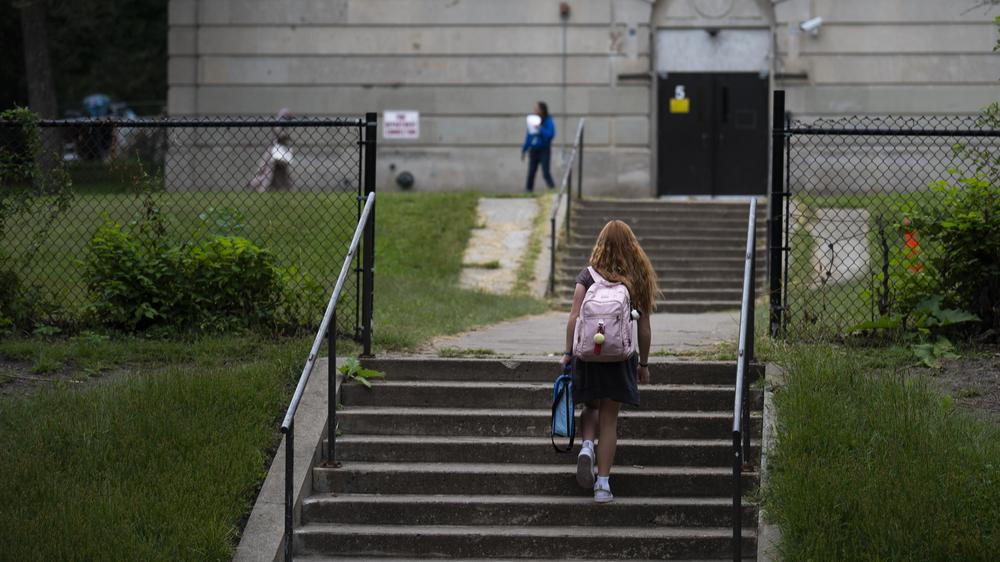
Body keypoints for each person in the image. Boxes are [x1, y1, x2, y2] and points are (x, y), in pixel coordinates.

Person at [559, 220, 659, 503]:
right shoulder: (636, 278)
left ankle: (587, 446)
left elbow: (574, 317)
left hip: (588, 355)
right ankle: (602, 484)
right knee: (609, 419)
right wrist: (644, 365)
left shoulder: (587, 276)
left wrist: (568, 353)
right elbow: (645, 328)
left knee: (590, 406)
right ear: (631, 246)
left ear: (600, 243)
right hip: (620, 357)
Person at [521, 102, 556, 192]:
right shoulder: (532, 120)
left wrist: (540, 128)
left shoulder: (548, 121)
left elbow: (550, 135)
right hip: (534, 150)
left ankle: (552, 190)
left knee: (545, 172)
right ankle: (528, 191)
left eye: (537, 108)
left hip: (544, 150)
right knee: (531, 172)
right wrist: (524, 149)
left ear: (542, 110)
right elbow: (529, 136)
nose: (535, 110)